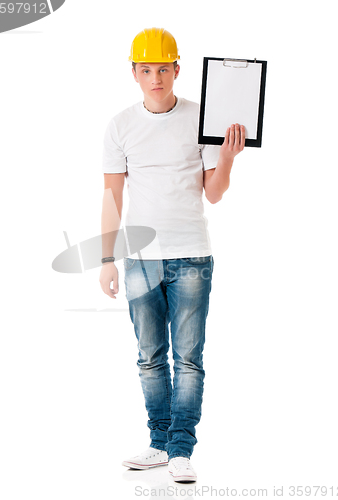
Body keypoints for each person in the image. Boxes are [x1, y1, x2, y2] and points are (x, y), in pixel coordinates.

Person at [99, 27, 245, 482]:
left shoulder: (202, 118)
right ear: (135, 74)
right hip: (140, 259)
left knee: (188, 358)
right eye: (147, 69)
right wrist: (106, 259)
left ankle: (181, 448)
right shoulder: (120, 126)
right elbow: (112, 195)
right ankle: (158, 444)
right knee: (149, 356)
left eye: (164, 68)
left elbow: (214, 194)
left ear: (177, 69)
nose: (156, 77)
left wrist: (227, 159)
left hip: (192, 257)